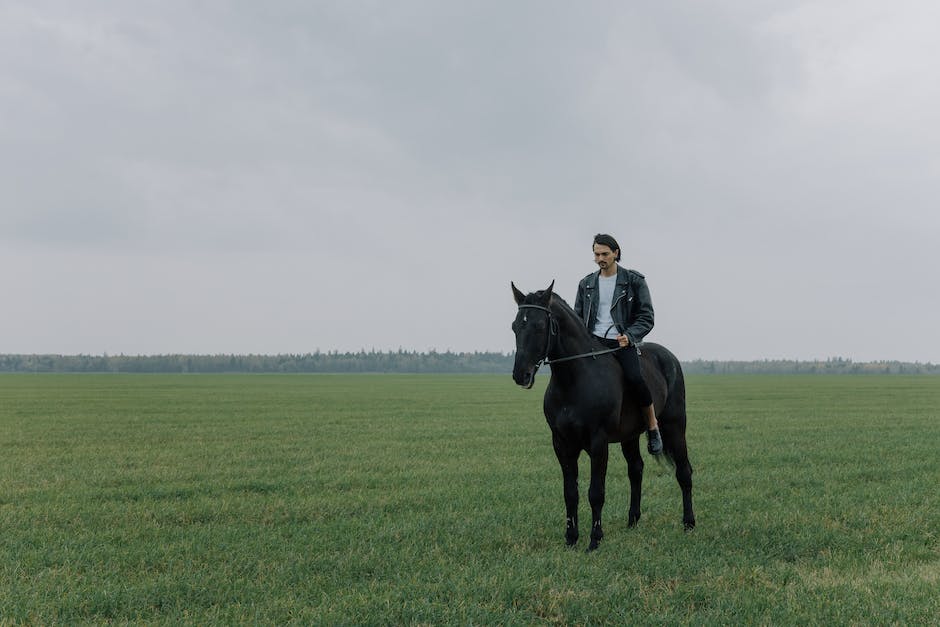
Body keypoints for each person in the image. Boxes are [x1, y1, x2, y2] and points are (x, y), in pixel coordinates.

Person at [573, 233, 663, 455]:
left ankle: (652, 427)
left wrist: (630, 336)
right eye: (596, 254)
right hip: (593, 343)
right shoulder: (586, 284)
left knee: (635, 377)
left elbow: (646, 316)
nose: (600, 258)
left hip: (620, 343)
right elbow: (577, 317)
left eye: (604, 254)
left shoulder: (634, 281)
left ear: (616, 253)